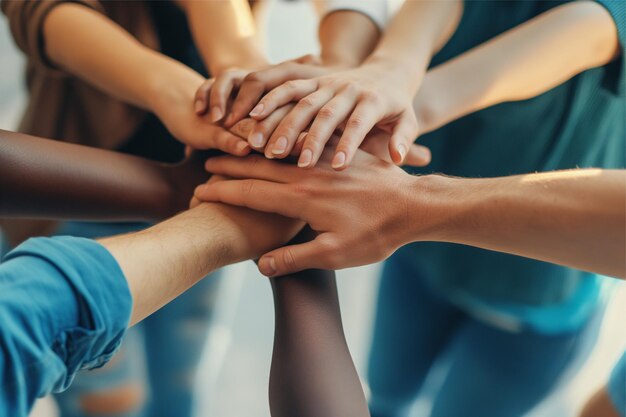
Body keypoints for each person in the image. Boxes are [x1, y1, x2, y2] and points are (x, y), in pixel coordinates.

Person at [202, 1, 625, 415]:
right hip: (417, 248)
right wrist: (390, 69)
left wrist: (399, 103)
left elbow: (594, 25)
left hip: (538, 288)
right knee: (387, 390)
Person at [0, 1, 386, 416]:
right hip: (78, 205)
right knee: (110, 403)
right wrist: (172, 88)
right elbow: (25, 324)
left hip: (203, 189)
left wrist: (249, 71)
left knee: (180, 384)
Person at [193, 148, 626, 417]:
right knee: (388, 391)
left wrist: (408, 204)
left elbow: (603, 21)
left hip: (540, 312)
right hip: (421, 261)